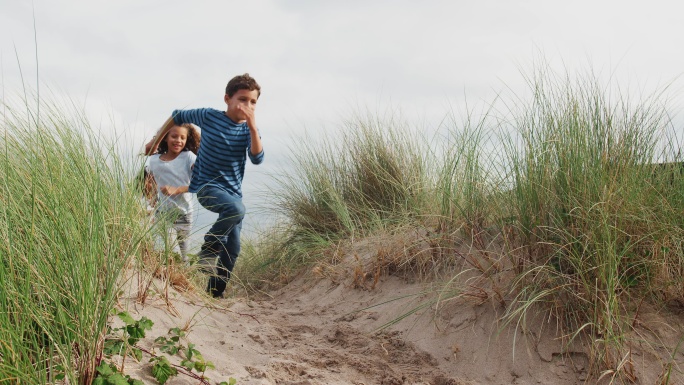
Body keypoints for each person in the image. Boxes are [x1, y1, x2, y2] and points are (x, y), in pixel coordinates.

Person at [145, 73, 264, 298]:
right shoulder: (209, 116)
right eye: (242, 99)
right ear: (227, 98)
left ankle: (213, 294)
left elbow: (257, 158)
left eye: (253, 102)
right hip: (207, 188)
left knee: (234, 248)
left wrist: (254, 128)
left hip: (232, 195)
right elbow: (177, 115)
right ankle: (209, 248)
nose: (247, 106)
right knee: (237, 210)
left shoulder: (249, 131)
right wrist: (156, 140)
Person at [146, 123, 200, 264]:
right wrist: (152, 200)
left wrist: (176, 190)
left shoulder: (189, 157)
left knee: (183, 256)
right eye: (174, 136)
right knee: (166, 251)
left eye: (183, 137)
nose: (178, 140)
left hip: (184, 213)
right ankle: (165, 277)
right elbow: (152, 182)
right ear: (165, 138)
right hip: (162, 214)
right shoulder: (154, 160)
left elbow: (200, 182)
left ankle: (183, 278)